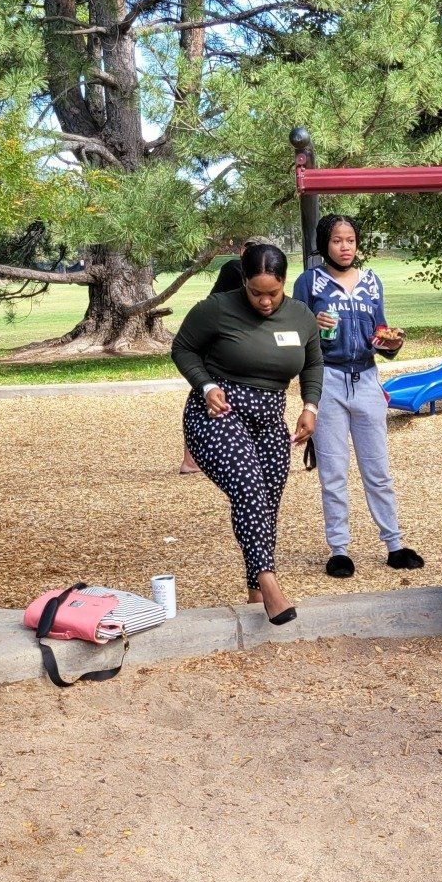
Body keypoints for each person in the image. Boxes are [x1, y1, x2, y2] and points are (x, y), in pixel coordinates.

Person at [172, 242, 322, 623]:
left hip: (271, 414)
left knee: (268, 501)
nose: (265, 301)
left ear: (284, 283)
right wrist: (205, 385)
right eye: (256, 293)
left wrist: (309, 406)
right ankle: (269, 585)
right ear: (244, 282)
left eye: (272, 293)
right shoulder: (217, 309)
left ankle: (254, 588)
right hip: (218, 411)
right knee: (249, 487)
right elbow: (183, 349)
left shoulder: (301, 316)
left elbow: (313, 362)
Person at [292, 214, 425, 579]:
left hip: (367, 378)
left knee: (378, 469)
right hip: (328, 380)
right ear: (324, 244)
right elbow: (291, 331)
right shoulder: (309, 282)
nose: (345, 247)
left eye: (350, 240)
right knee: (333, 471)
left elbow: (380, 333)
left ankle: (394, 544)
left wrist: (391, 343)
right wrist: (309, 326)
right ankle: (339, 550)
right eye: (337, 240)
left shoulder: (371, 281)